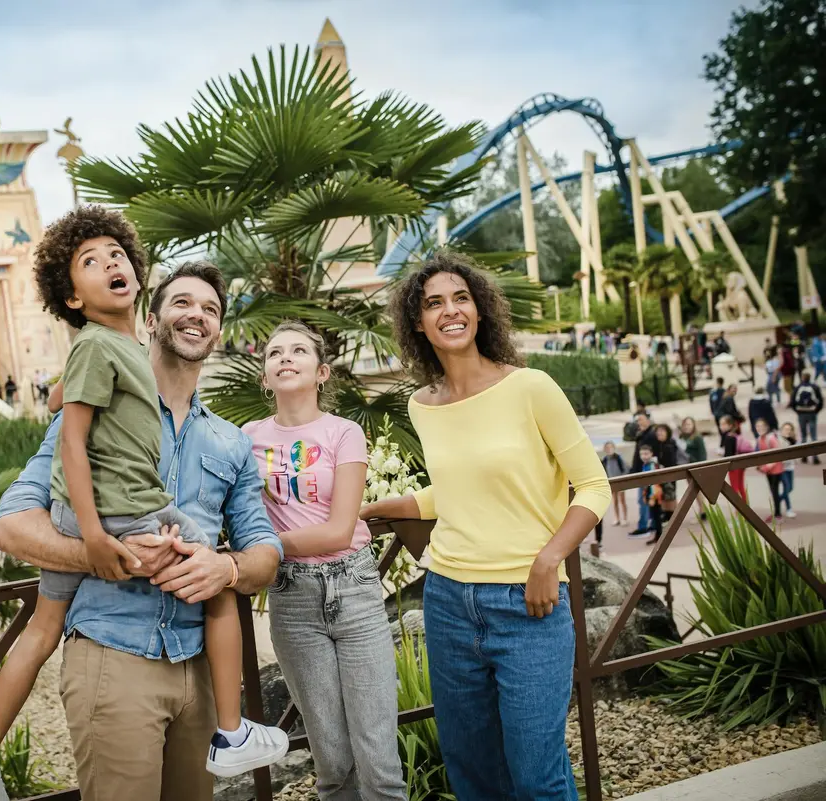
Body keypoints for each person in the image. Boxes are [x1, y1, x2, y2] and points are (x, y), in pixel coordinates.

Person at [0, 222, 286, 801]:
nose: (197, 314)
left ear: (218, 331)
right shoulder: (98, 406)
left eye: (210, 308)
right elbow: (9, 526)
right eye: (181, 301)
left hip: (200, 666)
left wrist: (225, 570)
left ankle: (232, 736)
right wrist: (103, 553)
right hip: (114, 656)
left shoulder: (233, 444)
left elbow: (264, 550)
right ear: (152, 320)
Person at [361, 250, 609, 800]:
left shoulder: (531, 387)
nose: (450, 311)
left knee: (536, 775)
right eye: (433, 303)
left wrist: (549, 559)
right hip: (447, 602)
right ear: (418, 322)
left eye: (461, 298)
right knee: (472, 772)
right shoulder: (422, 405)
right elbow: (456, 489)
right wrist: (380, 508)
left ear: (479, 310)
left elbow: (594, 486)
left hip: (529, 604)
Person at [243, 321, 404, 801]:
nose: (285, 358)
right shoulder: (244, 437)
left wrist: (262, 546)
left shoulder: (344, 432)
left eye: (298, 351)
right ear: (266, 377)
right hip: (292, 598)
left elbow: (338, 529)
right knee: (331, 763)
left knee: (379, 762)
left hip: (352, 588)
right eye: (274, 353)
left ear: (322, 372)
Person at [628, 412, 660, 535]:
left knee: (644, 499)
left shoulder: (651, 435)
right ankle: (650, 524)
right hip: (641, 470)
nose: (638, 422)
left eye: (641, 420)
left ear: (648, 420)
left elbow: (652, 453)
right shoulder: (641, 435)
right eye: (637, 421)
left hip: (648, 470)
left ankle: (644, 526)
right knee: (645, 499)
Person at [633, 443, 664, 546]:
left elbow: (655, 483)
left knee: (656, 517)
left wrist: (652, 497)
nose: (644, 456)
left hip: (654, 496)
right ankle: (657, 537)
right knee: (654, 517)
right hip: (649, 495)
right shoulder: (646, 465)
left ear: (651, 454)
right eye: (642, 454)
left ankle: (660, 538)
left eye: (646, 454)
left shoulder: (651, 465)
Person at [756, 418, 785, 522]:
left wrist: (769, 465)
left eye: (762, 426)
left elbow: (778, 454)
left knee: (775, 491)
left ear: (767, 427)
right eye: (758, 426)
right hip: (768, 470)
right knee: (773, 491)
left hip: (776, 469)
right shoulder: (759, 439)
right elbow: (762, 454)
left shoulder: (771, 438)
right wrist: (760, 465)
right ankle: (776, 512)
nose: (760, 428)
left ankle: (778, 515)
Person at [718, 414, 751, 502]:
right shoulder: (734, 435)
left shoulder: (728, 437)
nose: (721, 426)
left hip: (733, 467)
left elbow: (728, 455)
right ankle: (745, 506)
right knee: (740, 486)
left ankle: (739, 508)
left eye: (724, 424)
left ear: (730, 425)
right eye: (720, 424)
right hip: (740, 464)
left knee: (734, 488)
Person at [791, 371, 823, 465]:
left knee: (803, 435)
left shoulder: (798, 388)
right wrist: (816, 411)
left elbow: (792, 401)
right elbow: (820, 401)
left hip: (801, 413)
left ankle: (804, 456)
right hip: (812, 413)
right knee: (813, 436)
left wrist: (798, 411)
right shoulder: (814, 387)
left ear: (802, 377)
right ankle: (815, 457)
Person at [601, 442, 628, 526]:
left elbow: (625, 469)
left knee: (622, 500)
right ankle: (617, 518)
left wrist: (623, 479)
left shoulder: (619, 458)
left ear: (614, 448)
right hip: (611, 483)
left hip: (620, 482)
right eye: (607, 448)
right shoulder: (605, 460)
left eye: (611, 447)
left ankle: (624, 518)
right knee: (615, 501)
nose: (609, 449)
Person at [779, 422, 798, 518]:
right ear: (781, 430)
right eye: (786, 429)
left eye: (790, 429)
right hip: (782, 468)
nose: (788, 431)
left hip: (790, 467)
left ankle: (777, 500)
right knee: (787, 488)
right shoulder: (779, 440)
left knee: (790, 488)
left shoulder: (793, 441)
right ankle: (789, 509)